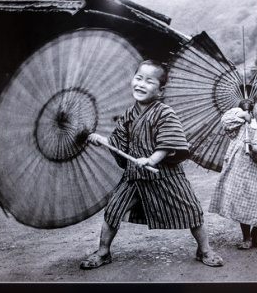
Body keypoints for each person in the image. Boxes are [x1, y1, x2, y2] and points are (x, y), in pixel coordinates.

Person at [80, 60, 224, 269]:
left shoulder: (164, 113)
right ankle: (103, 252)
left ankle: (204, 249)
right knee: (113, 211)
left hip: (165, 174)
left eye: (149, 81)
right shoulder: (128, 116)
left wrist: (152, 159)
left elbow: (170, 141)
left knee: (192, 210)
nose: (141, 84)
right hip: (135, 176)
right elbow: (119, 145)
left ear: (160, 90)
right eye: (138, 78)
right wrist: (104, 142)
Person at [209, 89, 257, 249]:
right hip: (242, 174)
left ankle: (256, 232)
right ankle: (246, 236)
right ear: (254, 107)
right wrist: (241, 114)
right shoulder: (244, 123)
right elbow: (226, 123)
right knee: (243, 203)